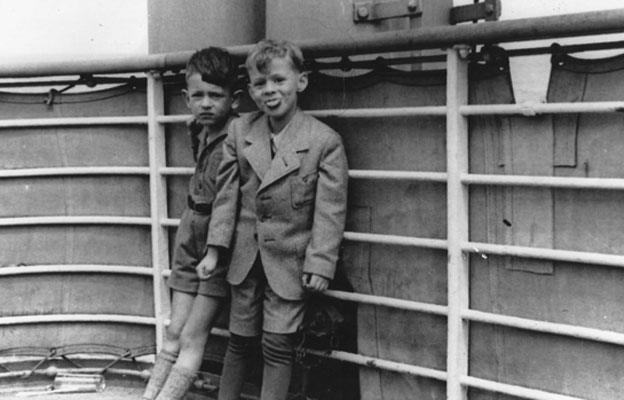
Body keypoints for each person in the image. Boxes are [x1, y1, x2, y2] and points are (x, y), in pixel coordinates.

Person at [197, 39, 349, 400]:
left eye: (279, 80)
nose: (270, 91)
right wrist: (215, 251)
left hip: (290, 263)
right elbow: (226, 196)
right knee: (239, 342)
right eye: (261, 84)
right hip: (244, 260)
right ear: (250, 90)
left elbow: (330, 210)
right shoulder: (239, 131)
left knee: (278, 346)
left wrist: (321, 262)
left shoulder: (324, 141)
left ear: (301, 81)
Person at [142, 47, 240, 400]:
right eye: (198, 95)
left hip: (219, 242)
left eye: (216, 95)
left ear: (234, 98)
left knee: (192, 336)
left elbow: (230, 201)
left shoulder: (238, 137)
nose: (206, 103)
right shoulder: (197, 128)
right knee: (173, 331)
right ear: (186, 98)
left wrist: (215, 250)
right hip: (190, 228)